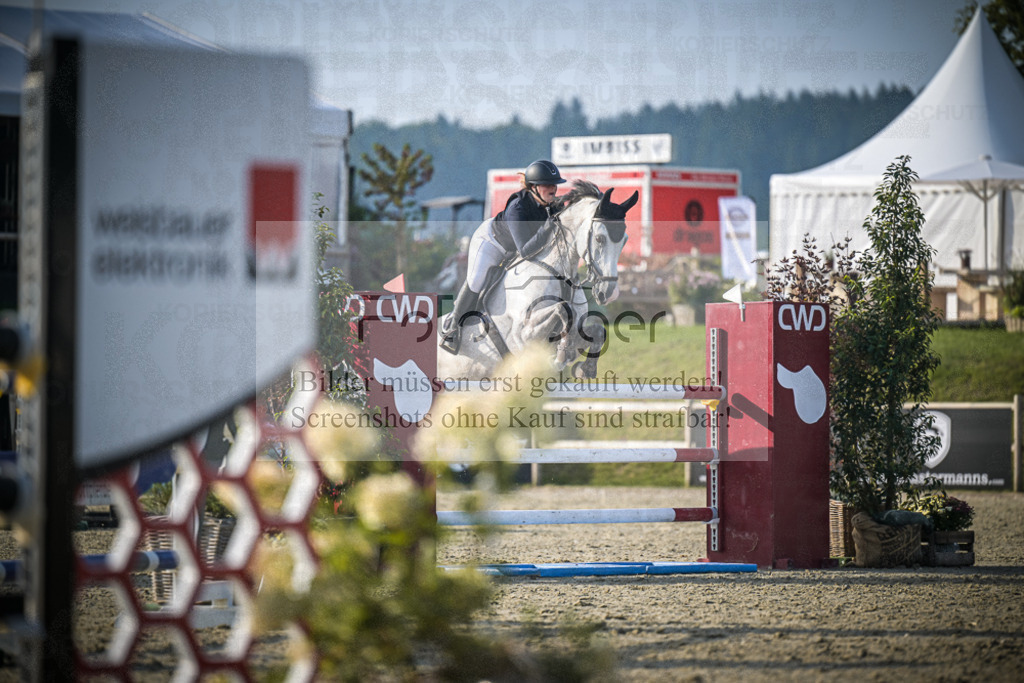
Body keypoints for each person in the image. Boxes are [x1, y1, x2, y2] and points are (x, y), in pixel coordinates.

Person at [440, 159, 566, 354]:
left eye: (555, 184)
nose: (553, 189)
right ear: (533, 187)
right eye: (548, 184)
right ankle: (452, 325)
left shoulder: (552, 206)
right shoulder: (518, 207)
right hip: (491, 243)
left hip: (513, 249)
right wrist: (548, 227)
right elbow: (525, 250)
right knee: (476, 279)